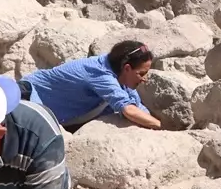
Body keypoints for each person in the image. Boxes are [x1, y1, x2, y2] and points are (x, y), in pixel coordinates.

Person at [17, 40, 161, 131]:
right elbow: (129, 110)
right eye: (141, 74)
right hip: (27, 97)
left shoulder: (118, 70)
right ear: (127, 68)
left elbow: (136, 105)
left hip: (53, 112)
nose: (145, 79)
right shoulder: (101, 75)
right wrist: (160, 126)